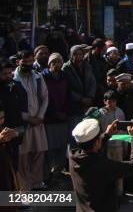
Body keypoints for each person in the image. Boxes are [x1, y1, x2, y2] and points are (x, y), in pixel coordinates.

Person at [69, 118, 133, 212]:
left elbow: (91, 148)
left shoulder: (73, 157)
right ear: (96, 142)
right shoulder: (102, 165)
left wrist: (106, 135)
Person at [13, 50, 48, 191]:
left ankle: (36, 182)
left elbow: (45, 97)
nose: (28, 64)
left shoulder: (38, 77)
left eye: (30, 61)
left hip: (38, 121)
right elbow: (13, 105)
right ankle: (24, 188)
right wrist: (28, 118)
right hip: (23, 123)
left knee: (39, 152)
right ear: (18, 62)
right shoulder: (13, 79)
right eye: (25, 61)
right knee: (23, 156)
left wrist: (39, 116)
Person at [42, 52, 70, 181]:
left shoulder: (65, 77)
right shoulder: (43, 77)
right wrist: (53, 112)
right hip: (49, 117)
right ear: (49, 64)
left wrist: (65, 112)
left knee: (61, 146)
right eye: (53, 62)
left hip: (63, 115)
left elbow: (68, 95)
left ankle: (57, 172)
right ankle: (47, 174)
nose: (56, 64)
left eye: (58, 62)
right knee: (49, 147)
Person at [98, 90, 126, 196]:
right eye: (109, 101)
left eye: (113, 101)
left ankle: (119, 193)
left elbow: (123, 130)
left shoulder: (120, 112)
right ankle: (108, 194)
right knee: (106, 170)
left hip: (118, 145)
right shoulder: (100, 113)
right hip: (105, 145)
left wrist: (125, 145)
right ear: (105, 101)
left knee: (119, 170)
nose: (111, 104)